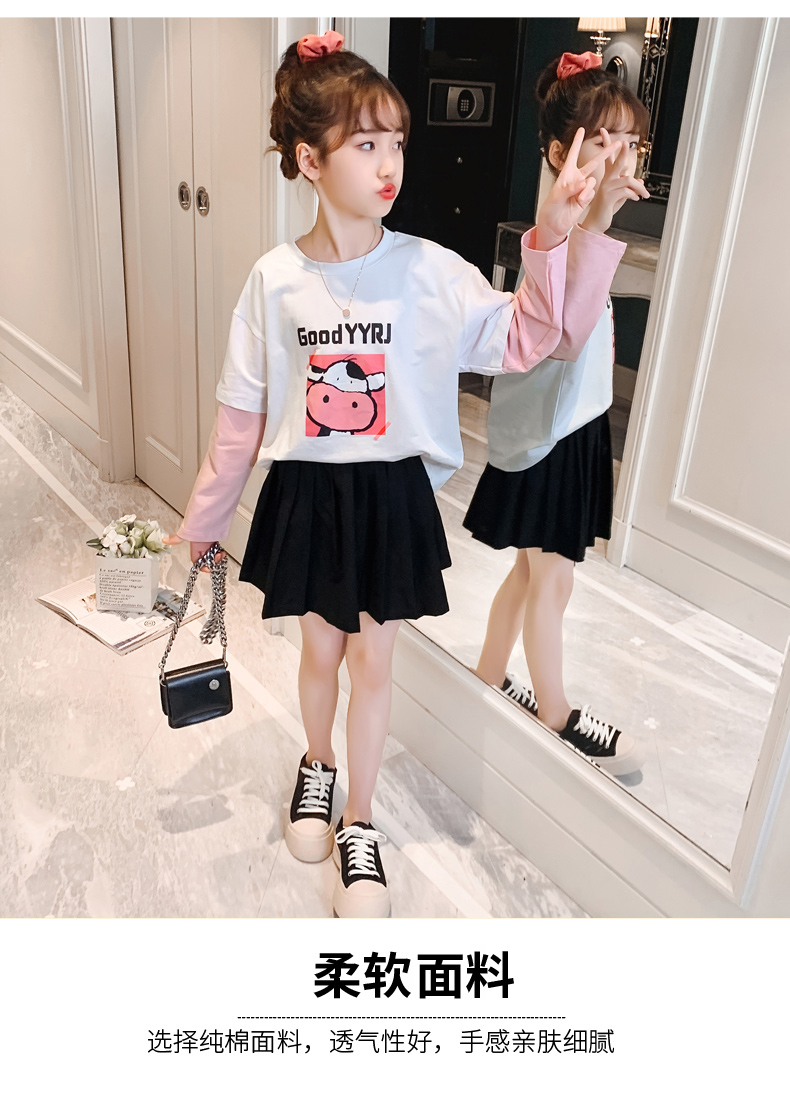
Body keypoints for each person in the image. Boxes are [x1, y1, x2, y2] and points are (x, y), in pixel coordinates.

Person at [163, 33, 624, 917]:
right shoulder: (273, 280)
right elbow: (239, 417)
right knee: (319, 650)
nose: (389, 165)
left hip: (389, 497)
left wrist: (560, 232)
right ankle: (318, 763)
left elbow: (535, 337)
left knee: (375, 662)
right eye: (366, 143)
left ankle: (360, 822)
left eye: (398, 143)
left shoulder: (431, 271)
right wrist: (203, 525)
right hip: (309, 493)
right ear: (310, 160)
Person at [463, 50, 651, 777]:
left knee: (531, 570)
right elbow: (566, 336)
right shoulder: (552, 234)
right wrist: (594, 223)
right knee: (554, 578)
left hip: (571, 422)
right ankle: (556, 711)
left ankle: (487, 675)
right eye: (601, 140)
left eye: (627, 139)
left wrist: (599, 218)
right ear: (556, 151)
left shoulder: (576, 228)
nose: (618, 155)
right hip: (549, 430)